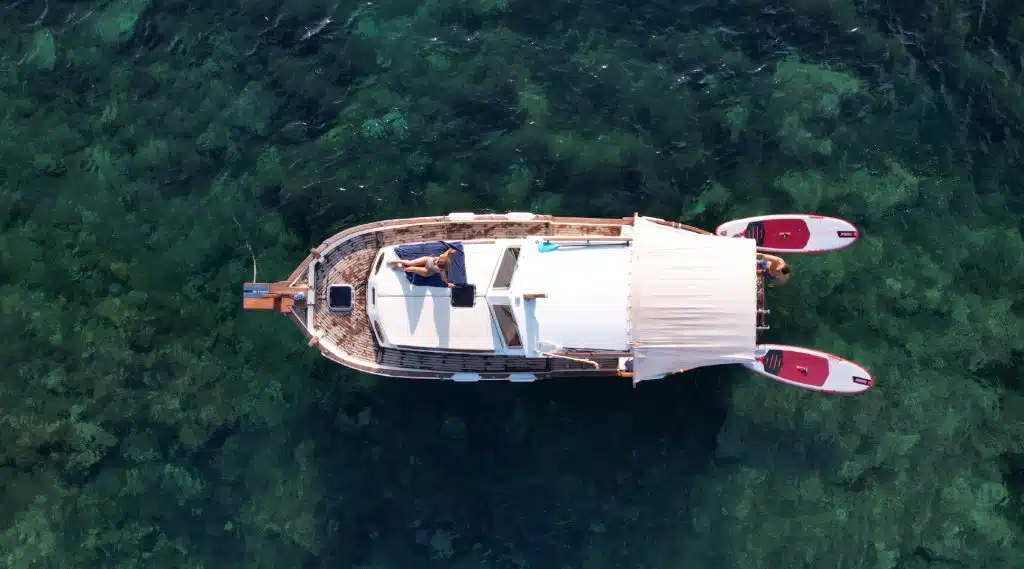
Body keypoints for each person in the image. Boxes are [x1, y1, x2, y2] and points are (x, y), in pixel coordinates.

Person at [387, 247, 458, 287]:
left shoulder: (441, 270)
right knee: (410, 262)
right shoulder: (442, 257)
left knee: (411, 269)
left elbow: (444, 278)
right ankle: (395, 261)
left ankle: (400, 268)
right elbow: (446, 254)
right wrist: (449, 251)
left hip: (428, 271)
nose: (436, 263)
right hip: (427, 260)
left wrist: (447, 284)